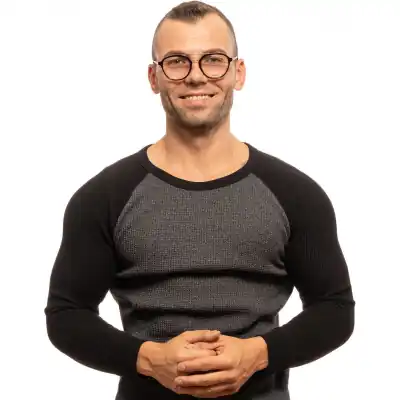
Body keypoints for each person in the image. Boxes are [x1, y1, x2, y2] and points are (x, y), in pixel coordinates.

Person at [44, 1, 355, 399]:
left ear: (238, 73)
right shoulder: (104, 198)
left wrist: (258, 354)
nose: (196, 76)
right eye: (177, 62)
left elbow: (334, 308)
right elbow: (66, 314)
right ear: (154, 77)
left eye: (213, 60)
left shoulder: (295, 194)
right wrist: (148, 359)